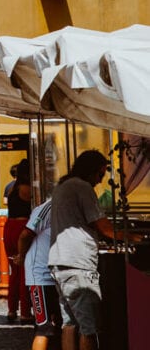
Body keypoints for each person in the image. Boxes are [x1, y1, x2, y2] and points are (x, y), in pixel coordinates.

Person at [48, 149, 142, 350]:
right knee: (89, 328)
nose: (101, 180)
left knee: (69, 324)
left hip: (59, 262)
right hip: (78, 264)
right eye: (100, 174)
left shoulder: (62, 186)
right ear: (90, 170)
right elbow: (104, 227)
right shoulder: (82, 187)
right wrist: (132, 237)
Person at [16, 197, 61, 350]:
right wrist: (21, 257)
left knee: (58, 325)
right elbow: (25, 235)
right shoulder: (48, 207)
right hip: (40, 276)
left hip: (57, 275)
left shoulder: (68, 208)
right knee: (44, 327)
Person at [3, 158, 33, 324]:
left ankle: (11, 309)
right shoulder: (27, 189)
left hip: (10, 227)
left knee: (14, 271)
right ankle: (25, 312)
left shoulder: (12, 187)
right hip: (23, 227)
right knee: (24, 271)